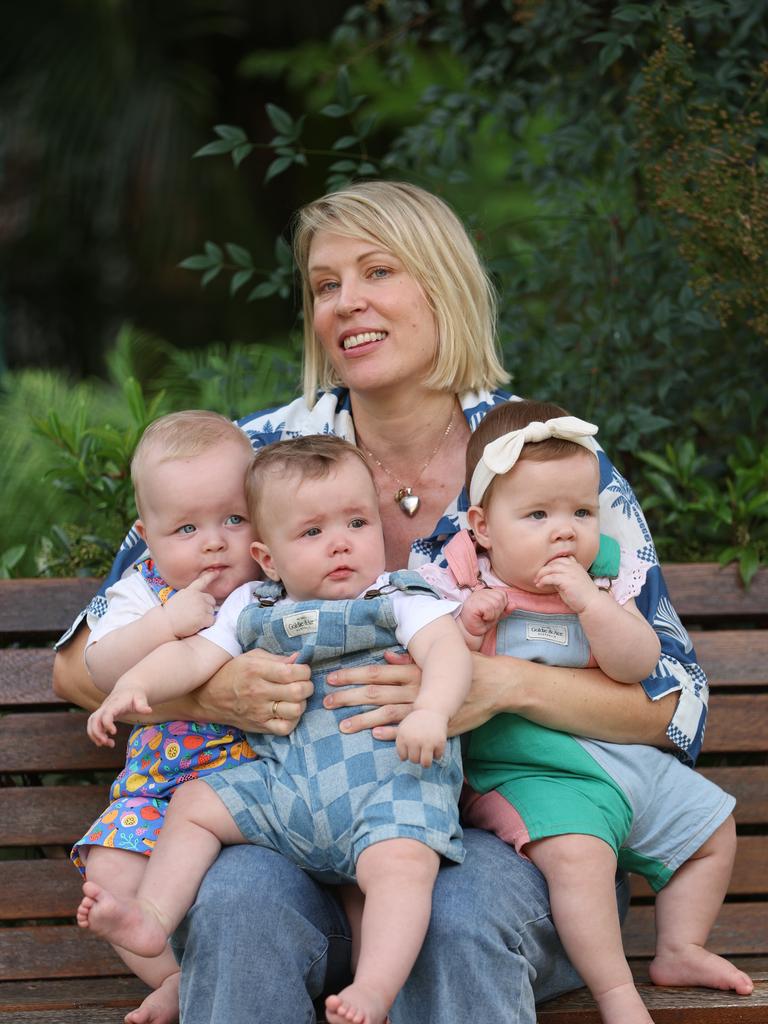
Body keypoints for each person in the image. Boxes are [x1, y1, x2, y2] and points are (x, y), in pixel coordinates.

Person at [52, 180, 712, 1024]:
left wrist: (500, 685)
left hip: (504, 832)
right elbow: (79, 664)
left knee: (459, 918)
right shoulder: (257, 458)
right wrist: (211, 691)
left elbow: (677, 703)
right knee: (238, 904)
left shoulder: (546, 466)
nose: (347, 303)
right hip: (288, 815)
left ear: (444, 286)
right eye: (326, 285)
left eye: (377, 272)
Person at [78, 434, 470, 1024]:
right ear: (268, 557)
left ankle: (375, 989)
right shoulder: (250, 606)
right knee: (196, 800)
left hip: (386, 788)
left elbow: (448, 653)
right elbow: (193, 659)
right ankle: (152, 916)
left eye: (357, 523)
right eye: (312, 532)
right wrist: (139, 686)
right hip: (287, 791)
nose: (340, 543)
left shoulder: (398, 596)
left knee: (400, 867)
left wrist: (432, 711)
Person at [419, 398, 752, 1024]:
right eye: (538, 514)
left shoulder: (602, 579)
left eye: (581, 511)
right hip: (532, 771)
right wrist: (466, 629)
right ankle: (618, 993)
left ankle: (680, 946)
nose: (564, 529)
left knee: (713, 826)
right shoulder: (460, 581)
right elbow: (438, 672)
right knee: (580, 859)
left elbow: (638, 665)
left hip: (619, 757)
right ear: (483, 527)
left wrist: (594, 608)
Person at [71, 410, 258, 1024]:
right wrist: (163, 624)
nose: (214, 541)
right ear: (145, 535)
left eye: (234, 517)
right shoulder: (141, 592)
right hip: (158, 791)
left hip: (256, 788)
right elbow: (97, 665)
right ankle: (176, 979)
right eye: (185, 527)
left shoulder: (273, 580)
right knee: (109, 867)